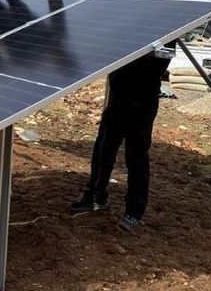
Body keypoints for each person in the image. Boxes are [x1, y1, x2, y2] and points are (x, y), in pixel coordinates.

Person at [70, 48, 173, 233]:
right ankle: (95, 195)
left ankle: (134, 212)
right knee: (103, 148)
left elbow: (158, 65)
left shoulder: (165, 35)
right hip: (119, 98)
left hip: (142, 102)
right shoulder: (133, 28)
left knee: (136, 158)